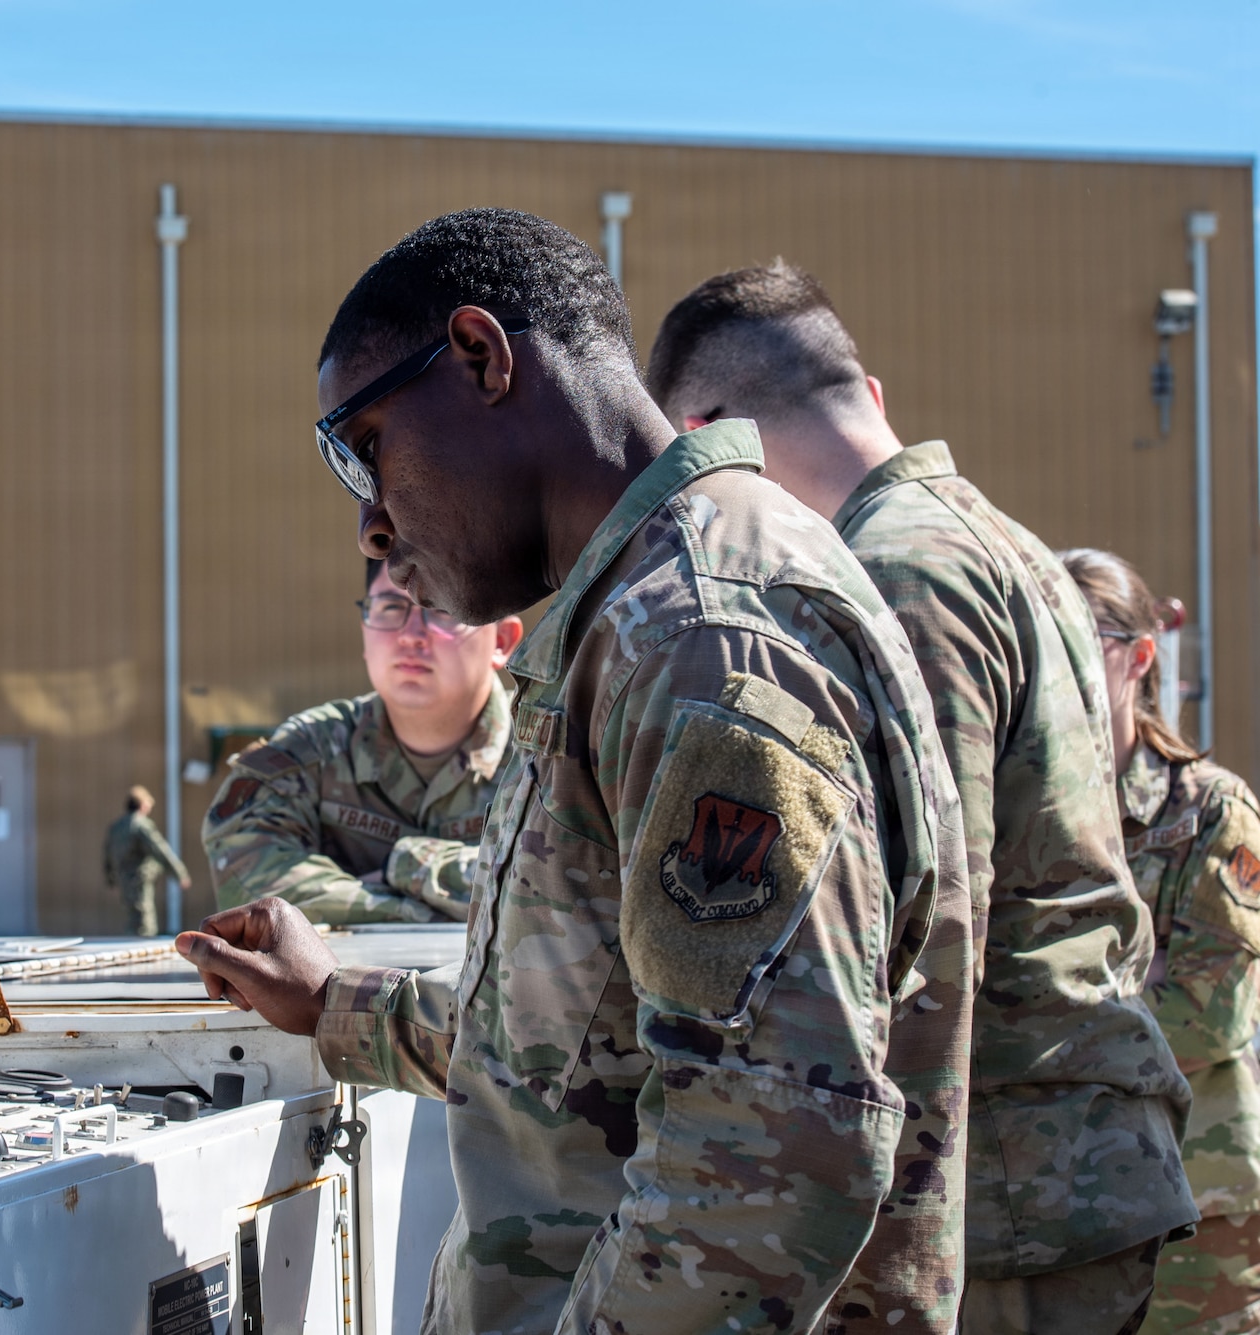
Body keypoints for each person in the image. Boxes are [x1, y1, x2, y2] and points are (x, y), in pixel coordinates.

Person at [176, 209, 974, 1334]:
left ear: (480, 357)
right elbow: (585, 1037)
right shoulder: (638, 623)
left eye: (365, 446)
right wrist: (337, 1010)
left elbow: (761, 1164)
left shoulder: (702, 635)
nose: (369, 523)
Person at [644, 262, 1196, 1335]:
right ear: (871, 398)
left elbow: (934, 932)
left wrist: (890, 1267)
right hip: (1053, 1163)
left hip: (1004, 1199)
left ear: (714, 437)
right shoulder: (997, 541)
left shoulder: (896, 573)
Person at [1065, 548, 1260, 1335]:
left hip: (1196, 1198)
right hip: (1062, 1195)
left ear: (1140, 656)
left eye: (1086, 638)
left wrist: (1055, 1022)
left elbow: (1211, 1009)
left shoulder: (1210, 811)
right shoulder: (1023, 812)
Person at [200, 558, 521, 924]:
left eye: (443, 608)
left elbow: (571, 886)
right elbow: (247, 877)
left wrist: (406, 866)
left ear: (501, 640)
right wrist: (414, 910)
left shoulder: (551, 754)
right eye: (389, 608)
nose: (411, 634)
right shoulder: (314, 747)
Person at [102, 785, 190, 936]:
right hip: (139, 879)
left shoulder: (116, 826)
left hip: (123, 879)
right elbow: (160, 849)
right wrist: (180, 873)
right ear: (142, 805)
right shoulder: (141, 825)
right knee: (144, 923)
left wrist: (110, 879)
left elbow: (107, 854)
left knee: (133, 916)